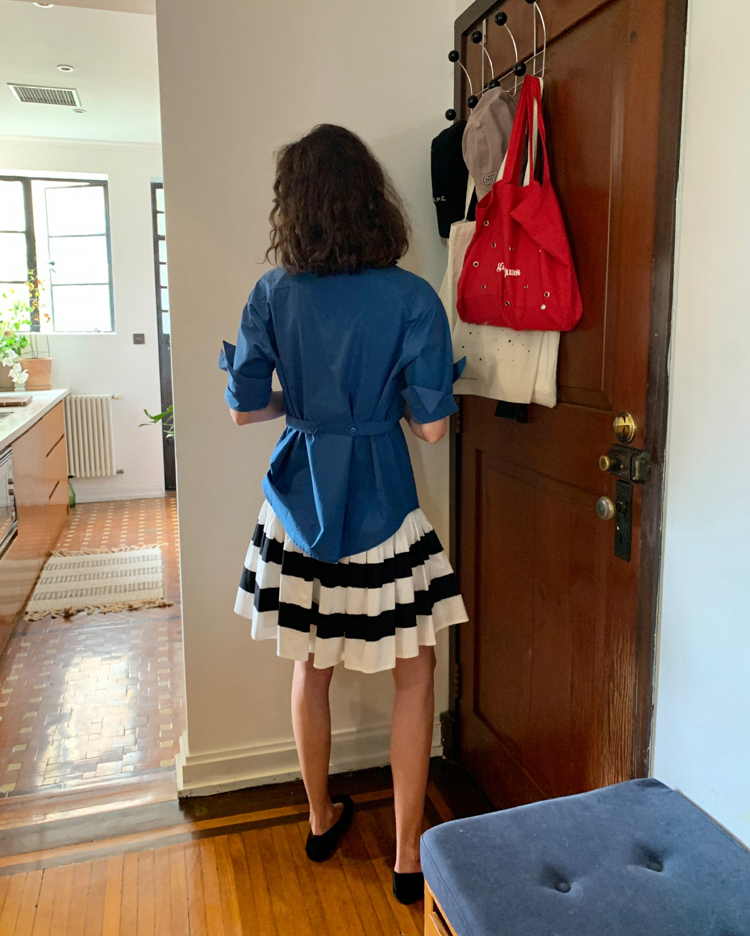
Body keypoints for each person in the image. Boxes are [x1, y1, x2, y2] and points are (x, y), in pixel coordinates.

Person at [219, 123, 468, 906]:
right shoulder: (412, 297)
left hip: (298, 507)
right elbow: (432, 429)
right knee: (415, 673)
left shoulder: (273, 292)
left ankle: (320, 818)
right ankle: (407, 855)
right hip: (384, 503)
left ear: (293, 206)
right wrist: (384, 406)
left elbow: (245, 409)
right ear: (372, 199)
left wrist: (308, 409)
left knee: (310, 664)